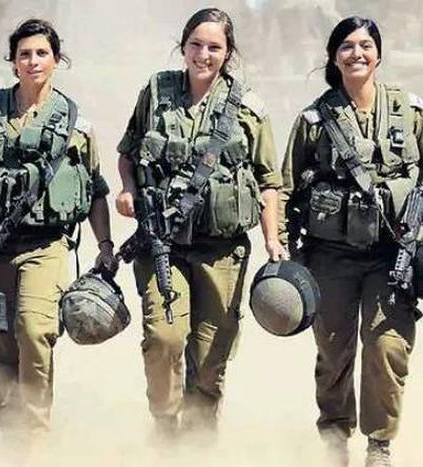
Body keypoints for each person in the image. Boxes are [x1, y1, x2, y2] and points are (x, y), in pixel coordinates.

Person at [0, 18, 114, 444]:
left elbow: (96, 190)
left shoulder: (75, 125)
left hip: (45, 245)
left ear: (56, 60)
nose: (33, 61)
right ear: (13, 61)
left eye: (41, 53)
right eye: (24, 54)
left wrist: (105, 246)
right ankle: (11, 439)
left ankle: (35, 436)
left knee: (35, 331)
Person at [115, 7, 285, 441]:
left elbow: (269, 182)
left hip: (221, 251)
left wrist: (273, 239)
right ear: (183, 46)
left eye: (214, 47)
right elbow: (128, 153)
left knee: (211, 358)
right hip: (162, 244)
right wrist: (128, 189)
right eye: (196, 44)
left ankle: (199, 443)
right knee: (164, 338)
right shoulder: (156, 92)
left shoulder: (248, 108)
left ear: (228, 53)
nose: (203, 55)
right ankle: (164, 427)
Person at [280, 16, 421, 467]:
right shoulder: (314, 120)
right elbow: (284, 188)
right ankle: (334, 437)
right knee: (333, 350)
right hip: (330, 256)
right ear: (334, 57)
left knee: (386, 347)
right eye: (346, 46)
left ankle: (379, 445)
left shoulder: (410, 112)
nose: (356, 53)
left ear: (378, 54)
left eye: (365, 45)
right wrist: (280, 246)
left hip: (392, 256)